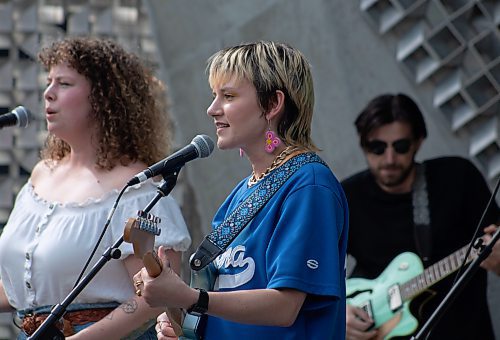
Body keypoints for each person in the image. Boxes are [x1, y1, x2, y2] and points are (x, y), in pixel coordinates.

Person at [134, 41, 349, 339]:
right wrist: (180, 320)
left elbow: (285, 307)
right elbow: (225, 308)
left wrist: (189, 297)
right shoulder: (239, 195)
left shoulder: (309, 185)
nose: (212, 109)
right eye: (214, 96)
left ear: (273, 104)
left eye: (229, 96)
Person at [0, 37, 191, 339]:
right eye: (49, 82)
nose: (48, 93)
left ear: (103, 97)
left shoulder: (135, 187)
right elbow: (20, 287)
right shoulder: (40, 175)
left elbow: (154, 296)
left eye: (64, 84)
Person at [342, 93, 499, 340]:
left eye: (401, 146)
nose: (390, 158)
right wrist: (337, 312)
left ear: (418, 141)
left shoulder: (458, 178)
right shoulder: (346, 198)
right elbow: (311, 270)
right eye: (378, 148)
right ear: (363, 146)